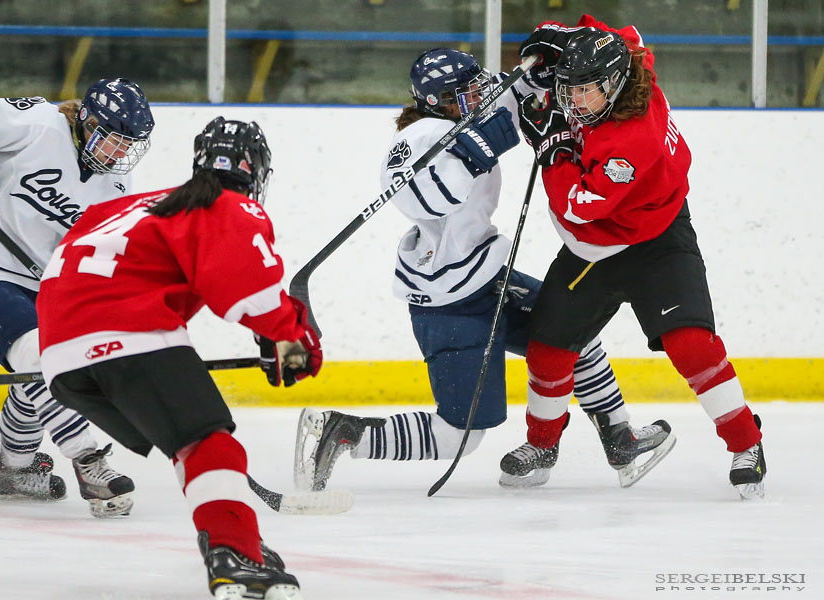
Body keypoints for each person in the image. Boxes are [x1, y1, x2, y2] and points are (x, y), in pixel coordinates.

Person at [294, 47, 674, 493]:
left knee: (574, 334)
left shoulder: (469, 113)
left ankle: (619, 438)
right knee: (460, 435)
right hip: (450, 301)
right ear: (440, 102)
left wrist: (544, 65)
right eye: (468, 90)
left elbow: (512, 95)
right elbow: (420, 197)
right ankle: (339, 434)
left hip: (488, 277)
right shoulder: (421, 137)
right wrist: (469, 156)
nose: (481, 93)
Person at [36, 117, 321, 599]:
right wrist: (294, 345)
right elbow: (250, 294)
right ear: (255, 170)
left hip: (60, 359)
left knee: (189, 442)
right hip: (126, 334)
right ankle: (234, 551)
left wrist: (271, 334)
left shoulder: (127, 205)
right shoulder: (226, 204)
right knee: (208, 444)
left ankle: (235, 534)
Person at [508, 15, 766, 500]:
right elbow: (614, 34)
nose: (574, 102)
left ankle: (746, 444)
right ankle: (541, 446)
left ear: (613, 85)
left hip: (656, 242)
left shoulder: (628, 145)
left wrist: (551, 147)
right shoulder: (631, 60)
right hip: (596, 250)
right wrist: (555, 35)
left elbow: (576, 205)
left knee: (692, 346)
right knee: (548, 350)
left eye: (586, 92)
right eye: (570, 89)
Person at [0, 78, 153, 516]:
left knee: (45, 366)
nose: (120, 153)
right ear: (87, 121)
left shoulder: (116, 185)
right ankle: (89, 459)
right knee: (40, 352)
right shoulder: (37, 122)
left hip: (39, 285)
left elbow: (101, 255)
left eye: (129, 144)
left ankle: (15, 467)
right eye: (113, 140)